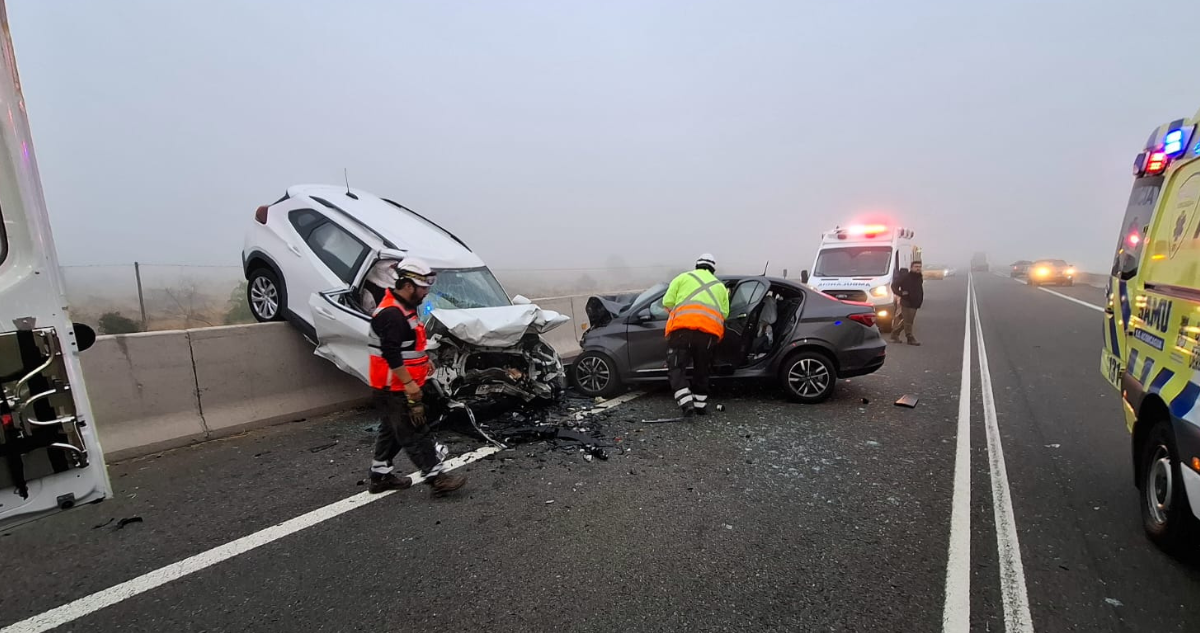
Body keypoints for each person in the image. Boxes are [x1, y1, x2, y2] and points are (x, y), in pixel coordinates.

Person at [366, 257, 468, 496]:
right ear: (408, 285)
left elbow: (408, 347)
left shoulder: (405, 308)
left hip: (394, 385)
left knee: (391, 431)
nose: (426, 292)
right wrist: (410, 384)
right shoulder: (391, 314)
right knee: (415, 432)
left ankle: (380, 476)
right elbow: (390, 353)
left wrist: (425, 361)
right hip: (393, 387)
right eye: (423, 287)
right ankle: (436, 478)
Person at [662, 253, 730, 416]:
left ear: (696, 266)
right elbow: (725, 313)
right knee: (702, 369)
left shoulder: (682, 278)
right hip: (708, 335)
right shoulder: (720, 287)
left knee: (677, 367)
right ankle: (700, 406)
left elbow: (667, 302)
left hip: (682, 331)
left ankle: (686, 401)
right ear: (713, 269)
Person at [890, 261, 924, 346]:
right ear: (911, 267)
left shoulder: (919, 277)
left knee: (907, 320)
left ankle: (894, 334)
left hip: (916, 302)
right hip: (906, 301)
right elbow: (894, 286)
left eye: (919, 266)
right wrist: (901, 293)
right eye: (916, 266)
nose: (918, 268)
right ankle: (910, 338)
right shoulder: (905, 277)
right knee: (909, 321)